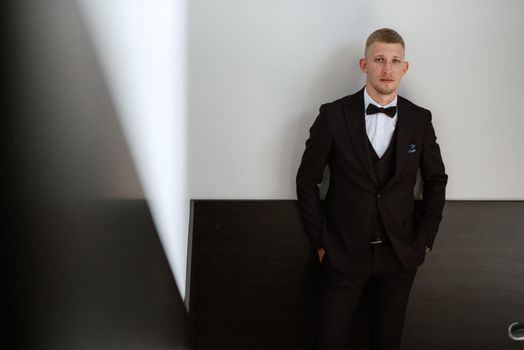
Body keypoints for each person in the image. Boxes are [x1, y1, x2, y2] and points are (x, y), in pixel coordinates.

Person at [296, 28, 447, 350]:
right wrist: (321, 243)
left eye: (395, 61)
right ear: (364, 64)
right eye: (379, 60)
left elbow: (435, 180)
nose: (387, 69)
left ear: (405, 67)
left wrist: (425, 241)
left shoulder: (420, 120)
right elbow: (307, 180)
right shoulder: (333, 115)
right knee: (328, 340)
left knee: (387, 342)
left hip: (399, 255)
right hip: (342, 253)